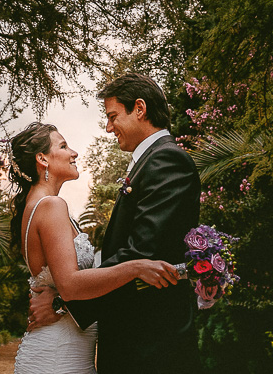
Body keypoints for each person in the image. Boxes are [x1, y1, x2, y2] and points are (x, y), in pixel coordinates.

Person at [29, 74, 203, 374]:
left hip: (151, 342)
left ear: (139, 108)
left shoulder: (166, 161)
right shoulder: (153, 161)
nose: (109, 128)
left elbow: (141, 252)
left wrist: (66, 303)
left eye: (112, 117)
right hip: (138, 337)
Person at [10, 121, 179, 374]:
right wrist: (135, 267)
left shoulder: (34, 205)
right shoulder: (51, 206)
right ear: (42, 159)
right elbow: (69, 285)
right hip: (60, 357)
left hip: (64, 347)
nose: (74, 153)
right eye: (64, 146)